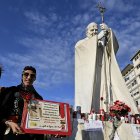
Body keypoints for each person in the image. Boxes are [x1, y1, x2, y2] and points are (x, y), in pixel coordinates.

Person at [0, 66, 44, 140]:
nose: (29, 77)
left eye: (32, 75)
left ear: (35, 78)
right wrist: (8, 122)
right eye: (26, 74)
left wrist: (54, 130)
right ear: (22, 76)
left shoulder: (39, 98)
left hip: (30, 136)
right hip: (9, 134)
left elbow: (41, 120)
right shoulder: (9, 91)